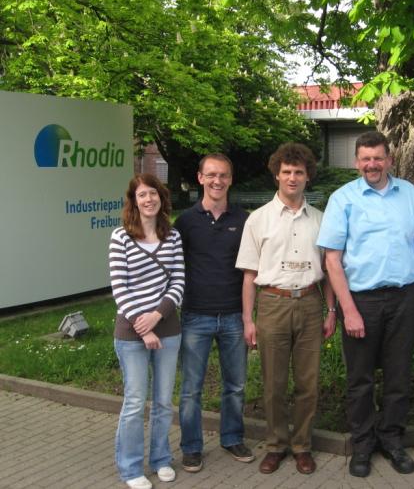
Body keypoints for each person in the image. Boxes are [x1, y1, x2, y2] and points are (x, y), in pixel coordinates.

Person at [317, 131, 414, 478]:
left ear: (389, 160)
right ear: (356, 162)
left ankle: (392, 440)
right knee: (360, 379)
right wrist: (347, 310)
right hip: (361, 300)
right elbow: (332, 261)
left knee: (398, 375)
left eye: (378, 158)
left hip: (404, 297)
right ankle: (363, 444)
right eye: (365, 159)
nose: (372, 164)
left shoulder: (409, 194)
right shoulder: (343, 199)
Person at [236, 142, 336, 475]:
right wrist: (248, 319)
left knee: (308, 382)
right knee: (273, 383)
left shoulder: (321, 220)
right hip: (272, 304)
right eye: (287, 172)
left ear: (308, 177)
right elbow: (249, 275)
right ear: (276, 175)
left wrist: (331, 311)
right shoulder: (258, 219)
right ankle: (276, 445)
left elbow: (330, 273)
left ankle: (302, 445)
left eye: (299, 172)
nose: (292, 178)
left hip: (310, 303)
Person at [175, 154, 253, 473]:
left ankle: (232, 438)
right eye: (211, 175)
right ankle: (191, 447)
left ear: (230, 180)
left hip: (234, 315)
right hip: (196, 315)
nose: (217, 181)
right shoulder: (185, 221)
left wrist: (249, 317)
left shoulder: (244, 220)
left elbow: (251, 270)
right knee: (191, 388)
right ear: (200, 178)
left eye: (223, 175)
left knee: (235, 385)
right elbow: (173, 266)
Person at [109, 174, 185, 489]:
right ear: (134, 200)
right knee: (135, 402)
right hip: (131, 334)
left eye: (153, 193)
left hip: (167, 329)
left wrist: (157, 316)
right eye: (142, 195)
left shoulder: (173, 236)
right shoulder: (121, 237)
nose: (148, 199)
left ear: (161, 197)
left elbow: (178, 281)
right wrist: (144, 328)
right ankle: (130, 468)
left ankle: (161, 459)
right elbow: (119, 287)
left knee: (164, 402)